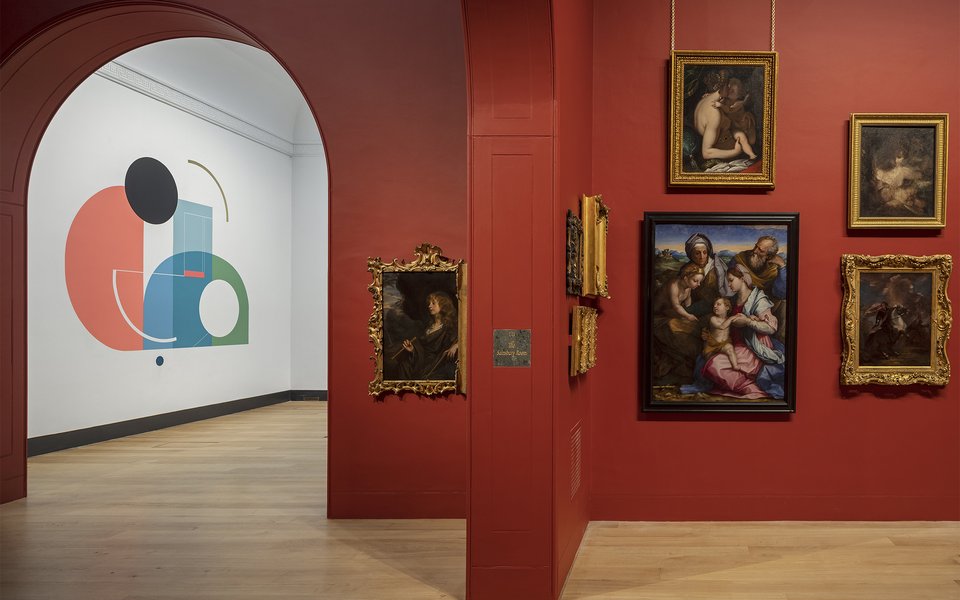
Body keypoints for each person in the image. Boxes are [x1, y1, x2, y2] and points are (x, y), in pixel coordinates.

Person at [651, 263, 705, 383]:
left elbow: (688, 303)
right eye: (695, 281)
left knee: (690, 330)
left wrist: (688, 312)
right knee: (675, 329)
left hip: (673, 314)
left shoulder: (688, 287)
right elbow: (676, 305)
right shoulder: (674, 285)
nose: (698, 284)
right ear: (685, 278)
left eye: (699, 282)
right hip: (659, 316)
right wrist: (687, 315)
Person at [396, 292, 459, 380]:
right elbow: (424, 349)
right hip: (423, 360)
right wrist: (412, 349)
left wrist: (456, 346)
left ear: (443, 305)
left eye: (433, 303)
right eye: (429, 303)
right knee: (403, 363)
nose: (429, 306)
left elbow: (461, 339)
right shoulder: (429, 326)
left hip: (436, 362)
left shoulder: (449, 326)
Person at [693, 70, 751, 162]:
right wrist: (735, 152)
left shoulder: (708, 98)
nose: (729, 88)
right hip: (722, 149)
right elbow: (706, 153)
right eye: (728, 85)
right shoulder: (714, 114)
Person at [683, 232, 730, 315]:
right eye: (697, 253)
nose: (702, 257)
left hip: (711, 307)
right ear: (691, 254)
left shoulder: (716, 268)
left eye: (704, 252)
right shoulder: (687, 268)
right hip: (691, 303)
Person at [712, 77, 757, 160]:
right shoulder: (725, 100)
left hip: (739, 125)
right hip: (731, 127)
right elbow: (717, 100)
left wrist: (720, 105)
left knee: (742, 137)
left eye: (733, 91)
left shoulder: (738, 103)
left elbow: (729, 110)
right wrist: (709, 96)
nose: (729, 91)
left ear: (739, 94)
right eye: (729, 89)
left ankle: (751, 154)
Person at [730, 235, 787, 301]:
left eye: (760, 250)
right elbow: (730, 287)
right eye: (756, 246)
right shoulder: (740, 259)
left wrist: (782, 266)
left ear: (768, 256)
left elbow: (780, 295)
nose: (755, 251)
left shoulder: (773, 270)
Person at [701, 297, 740, 371]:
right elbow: (722, 327)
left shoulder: (728, 319)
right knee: (712, 363)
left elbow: (739, 321)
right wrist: (731, 319)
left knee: (730, 349)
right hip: (712, 346)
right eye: (714, 305)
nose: (715, 306)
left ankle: (735, 365)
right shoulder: (713, 319)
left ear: (727, 307)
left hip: (723, 344)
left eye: (718, 304)